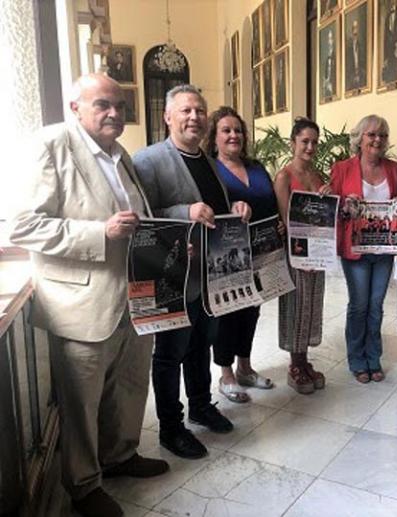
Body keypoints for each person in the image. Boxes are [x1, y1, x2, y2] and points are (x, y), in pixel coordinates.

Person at [9, 74, 168, 517]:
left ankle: (121, 455)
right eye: (102, 104)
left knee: (131, 386)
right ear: (75, 107)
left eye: (119, 105)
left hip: (134, 297)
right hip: (80, 302)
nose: (114, 113)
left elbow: (141, 221)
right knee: (80, 403)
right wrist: (100, 232)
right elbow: (24, 225)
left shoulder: (121, 155)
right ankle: (82, 484)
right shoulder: (51, 146)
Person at [134, 85, 251, 460]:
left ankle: (201, 405)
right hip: (172, 276)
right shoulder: (148, 160)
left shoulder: (208, 161)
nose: (194, 117)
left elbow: (214, 210)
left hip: (210, 275)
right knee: (170, 354)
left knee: (201, 344)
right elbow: (143, 219)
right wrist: (184, 212)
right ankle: (171, 427)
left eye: (200, 111)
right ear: (168, 117)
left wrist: (235, 207)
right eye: (185, 110)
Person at [204, 106, 278, 404]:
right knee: (229, 312)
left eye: (238, 130)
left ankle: (245, 367)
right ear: (215, 136)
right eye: (226, 130)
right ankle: (226, 374)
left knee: (252, 310)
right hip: (227, 254)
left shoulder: (257, 167)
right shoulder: (209, 169)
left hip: (260, 253)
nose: (234, 135)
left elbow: (270, 202)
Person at [330, 115, 397, 383]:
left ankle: (374, 358)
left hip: (384, 249)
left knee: (376, 305)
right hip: (356, 249)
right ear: (359, 138)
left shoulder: (394, 169)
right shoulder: (342, 169)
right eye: (371, 134)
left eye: (382, 135)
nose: (377, 140)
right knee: (359, 305)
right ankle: (357, 360)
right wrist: (344, 205)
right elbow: (332, 208)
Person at [274, 118, 331, 394]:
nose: (310, 147)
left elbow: (325, 216)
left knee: (311, 306)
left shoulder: (318, 176)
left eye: (314, 142)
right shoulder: (284, 177)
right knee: (296, 306)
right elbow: (289, 220)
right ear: (293, 143)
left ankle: (305, 360)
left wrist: (328, 199)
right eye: (304, 141)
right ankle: (294, 364)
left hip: (317, 251)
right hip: (295, 253)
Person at [382, 0, 397, 83]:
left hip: (396, 49)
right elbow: (385, 37)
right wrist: (384, 58)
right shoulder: (388, 15)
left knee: (396, 74)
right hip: (389, 50)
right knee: (389, 77)